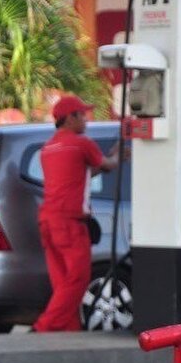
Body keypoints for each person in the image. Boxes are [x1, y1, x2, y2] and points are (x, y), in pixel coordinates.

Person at [32, 95, 128, 332]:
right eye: (82, 114)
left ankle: (69, 329)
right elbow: (108, 164)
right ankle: (43, 328)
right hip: (70, 223)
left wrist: (108, 161)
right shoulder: (81, 143)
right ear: (70, 118)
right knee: (77, 279)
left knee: (62, 282)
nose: (86, 119)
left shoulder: (48, 148)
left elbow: (78, 174)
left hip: (48, 221)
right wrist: (119, 154)